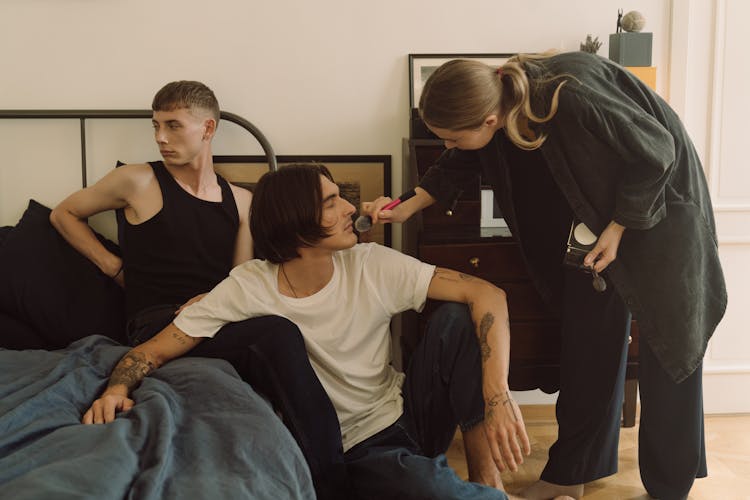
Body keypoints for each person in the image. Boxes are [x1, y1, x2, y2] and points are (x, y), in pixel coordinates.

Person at [81, 163, 577, 500]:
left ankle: (489, 483)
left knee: (453, 318)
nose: (348, 208)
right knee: (434, 489)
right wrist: (119, 386)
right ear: (296, 227)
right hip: (357, 448)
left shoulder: (371, 264)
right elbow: (156, 348)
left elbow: (488, 294)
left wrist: (497, 397)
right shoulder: (247, 288)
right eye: (331, 202)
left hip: (408, 413)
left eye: (342, 197)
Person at [364, 51, 728, 500]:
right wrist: (400, 208)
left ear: (490, 118)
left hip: (660, 213)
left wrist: (618, 227)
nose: (448, 146)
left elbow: (657, 151)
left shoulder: (568, 94)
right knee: (586, 342)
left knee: (669, 343)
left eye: (454, 138)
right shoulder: (501, 108)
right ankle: (572, 471)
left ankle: (670, 486)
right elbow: (457, 163)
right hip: (593, 226)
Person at [50, 82, 338, 499]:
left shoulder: (241, 201)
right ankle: (333, 482)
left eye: (172, 125)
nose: (160, 138)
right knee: (276, 334)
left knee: (281, 331)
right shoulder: (138, 179)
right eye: (156, 126)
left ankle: (316, 460)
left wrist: (216, 301)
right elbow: (64, 214)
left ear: (207, 128)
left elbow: (240, 280)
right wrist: (115, 268)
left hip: (215, 321)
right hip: (157, 326)